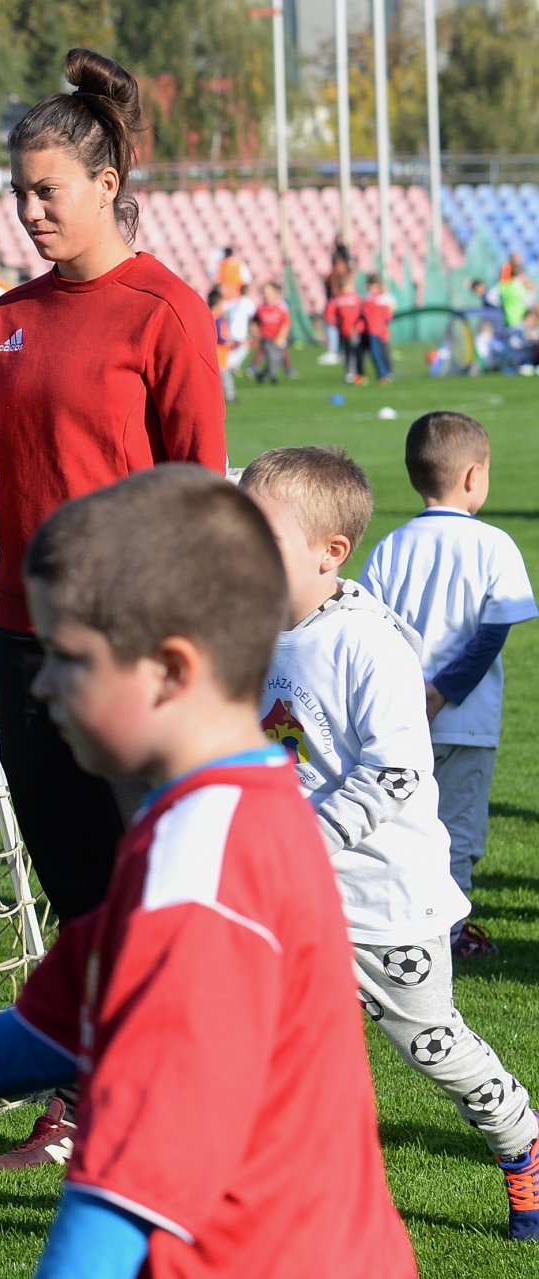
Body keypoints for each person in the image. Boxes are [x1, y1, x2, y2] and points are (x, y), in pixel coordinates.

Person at [0, 466, 416, 1277]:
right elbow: (56, 1027)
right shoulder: (223, 807)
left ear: (170, 668)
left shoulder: (201, 871)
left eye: (69, 658)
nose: (43, 683)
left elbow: (131, 1185)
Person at [0, 46, 228, 1169]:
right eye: (19, 190)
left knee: (158, 893)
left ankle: (192, 1102)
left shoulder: (166, 312)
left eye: (48, 190)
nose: (29, 211)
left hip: (135, 647)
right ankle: (83, 1106)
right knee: (72, 888)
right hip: (26, 640)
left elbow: (201, 489)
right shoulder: (7, 317)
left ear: (106, 185)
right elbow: (14, 475)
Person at [241, 447, 539, 1241]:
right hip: (297, 899)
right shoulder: (263, 629)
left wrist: (307, 835)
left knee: (436, 1047)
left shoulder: (366, 644)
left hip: (386, 903)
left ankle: (523, 1142)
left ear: (327, 552)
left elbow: (400, 772)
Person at [361, 412, 537, 959]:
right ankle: (449, 939)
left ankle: (394, 926)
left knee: (399, 826)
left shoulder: (391, 546)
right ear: (472, 478)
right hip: (466, 721)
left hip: (399, 719)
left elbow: (371, 628)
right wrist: (447, 690)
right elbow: (492, 634)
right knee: (458, 830)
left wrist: (419, 692)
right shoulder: (495, 545)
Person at [327, 273, 365, 384]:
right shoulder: (337, 299)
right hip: (344, 332)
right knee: (347, 353)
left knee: (357, 353)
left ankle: (359, 372)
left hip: (356, 331)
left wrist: (358, 327)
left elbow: (362, 315)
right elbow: (329, 315)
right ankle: (349, 372)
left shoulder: (356, 298)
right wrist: (337, 324)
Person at [251, 281, 292, 384]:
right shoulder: (261, 308)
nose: (266, 295)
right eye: (264, 293)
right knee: (272, 358)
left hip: (278, 338)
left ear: (276, 293)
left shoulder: (281, 308)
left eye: (269, 293)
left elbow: (285, 324)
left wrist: (281, 337)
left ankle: (262, 375)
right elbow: (254, 321)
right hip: (266, 338)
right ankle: (274, 377)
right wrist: (256, 333)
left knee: (276, 359)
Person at [362, 273, 396, 385]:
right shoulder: (371, 297)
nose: (371, 287)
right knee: (376, 352)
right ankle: (383, 373)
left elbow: (389, 314)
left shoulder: (379, 298)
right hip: (374, 330)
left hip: (377, 330)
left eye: (373, 284)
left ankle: (384, 374)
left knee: (379, 352)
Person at [208, 287, 238, 404]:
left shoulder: (208, 315)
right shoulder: (218, 318)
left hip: (213, 351)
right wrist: (228, 342)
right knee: (225, 376)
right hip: (220, 352)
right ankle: (230, 397)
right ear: (218, 303)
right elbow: (220, 336)